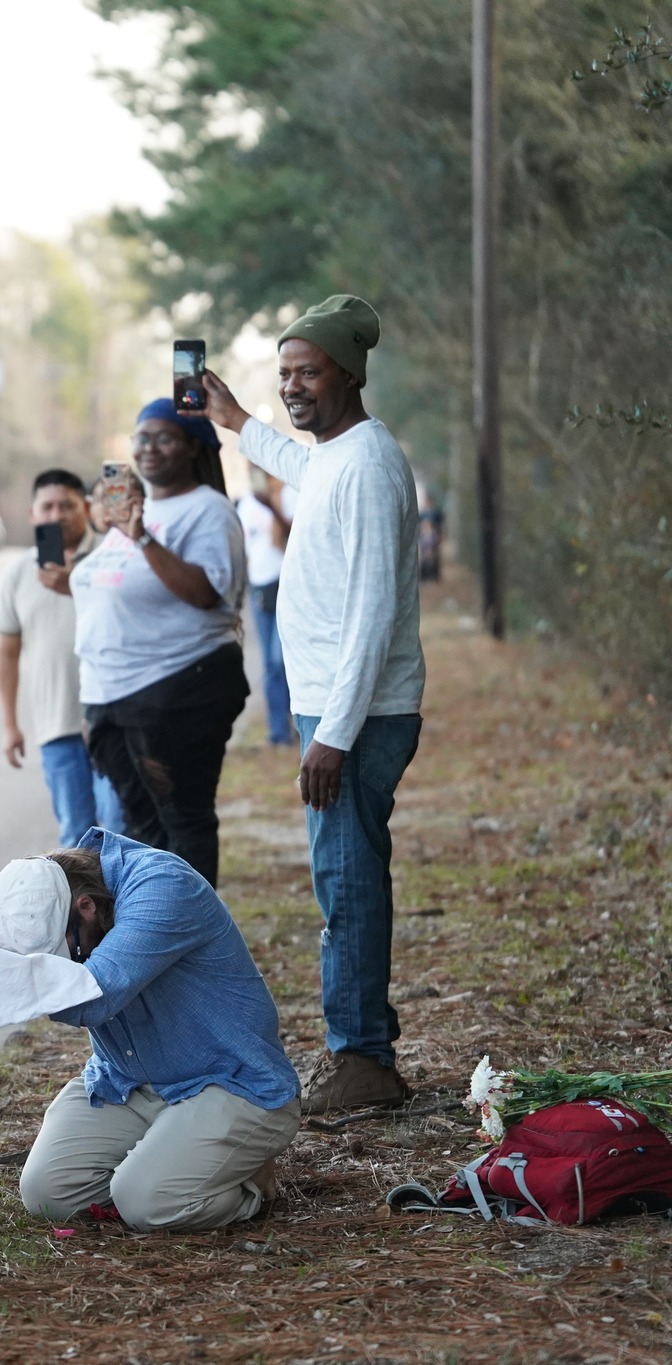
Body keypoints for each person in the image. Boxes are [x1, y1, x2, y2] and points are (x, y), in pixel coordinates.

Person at [204, 294, 427, 1114]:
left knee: (349, 883)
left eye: (309, 371)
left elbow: (372, 609)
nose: (294, 386)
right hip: (338, 711)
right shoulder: (336, 453)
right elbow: (302, 466)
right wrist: (236, 419)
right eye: (285, 373)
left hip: (354, 718)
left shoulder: (367, 463)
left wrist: (331, 736)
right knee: (346, 878)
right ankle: (359, 1047)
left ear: (351, 373)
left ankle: (363, 1059)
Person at [5, 835, 300, 1232]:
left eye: (63, 956)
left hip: (231, 1083)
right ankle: (175, 1159)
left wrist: (0, 989)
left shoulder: (163, 888)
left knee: (145, 1204)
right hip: (130, 1081)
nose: (60, 967)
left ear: (86, 907)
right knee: (48, 1194)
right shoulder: (50, 899)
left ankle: (247, 1185)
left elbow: (96, 994)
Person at [71, 400, 249, 886]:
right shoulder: (130, 512)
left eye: (164, 437)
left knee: (181, 822)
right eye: (141, 437)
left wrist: (143, 538)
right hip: (114, 699)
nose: (149, 447)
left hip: (177, 692)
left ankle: (191, 940)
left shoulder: (209, 511)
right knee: (140, 828)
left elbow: (206, 592)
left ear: (193, 447)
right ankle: (156, 935)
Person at [0, 469, 125, 846]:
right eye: (47, 507)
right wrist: (10, 724)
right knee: (76, 837)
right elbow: (7, 653)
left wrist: (74, 584)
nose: (57, 515)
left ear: (85, 508)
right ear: (33, 514)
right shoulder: (20, 572)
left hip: (113, 719)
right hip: (57, 725)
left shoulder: (113, 553)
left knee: (119, 828)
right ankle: (85, 906)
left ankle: (125, 907)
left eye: (67, 506)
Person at [236, 472, 298, 745]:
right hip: (259, 589)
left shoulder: (290, 493)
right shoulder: (247, 503)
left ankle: (295, 722)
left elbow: (296, 537)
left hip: (287, 585)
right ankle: (278, 732)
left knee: (281, 660)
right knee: (270, 665)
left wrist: (271, 505)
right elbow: (244, 548)